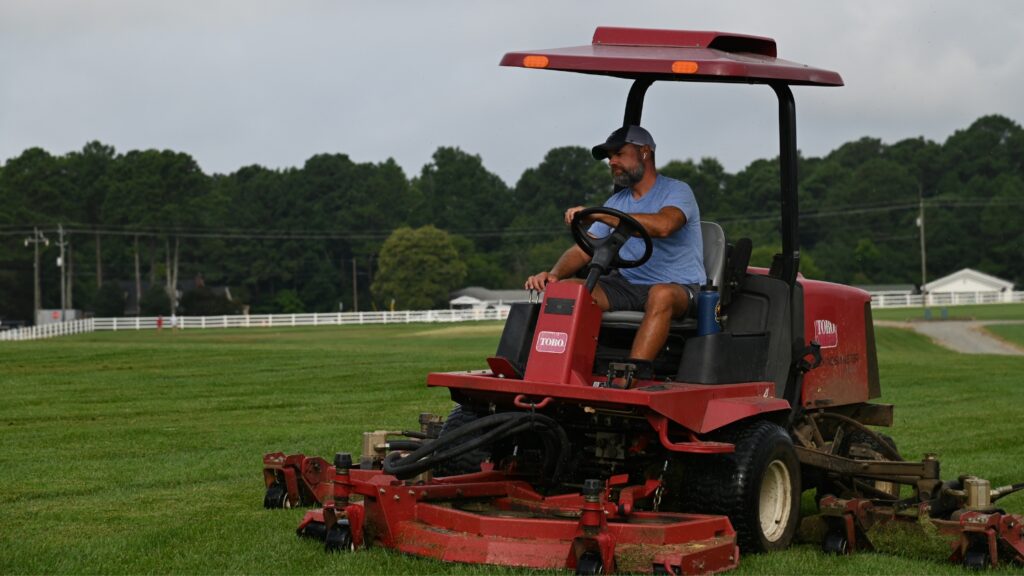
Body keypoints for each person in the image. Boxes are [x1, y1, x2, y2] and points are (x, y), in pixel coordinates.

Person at [524, 125, 704, 368]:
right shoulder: (616, 202)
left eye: (619, 154)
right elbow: (583, 250)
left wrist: (600, 216)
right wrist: (554, 275)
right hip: (627, 285)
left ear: (644, 152)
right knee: (566, 291)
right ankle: (554, 369)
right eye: (609, 157)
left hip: (679, 287)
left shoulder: (677, 191)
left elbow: (664, 225)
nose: (611, 162)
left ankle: (632, 375)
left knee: (660, 295)